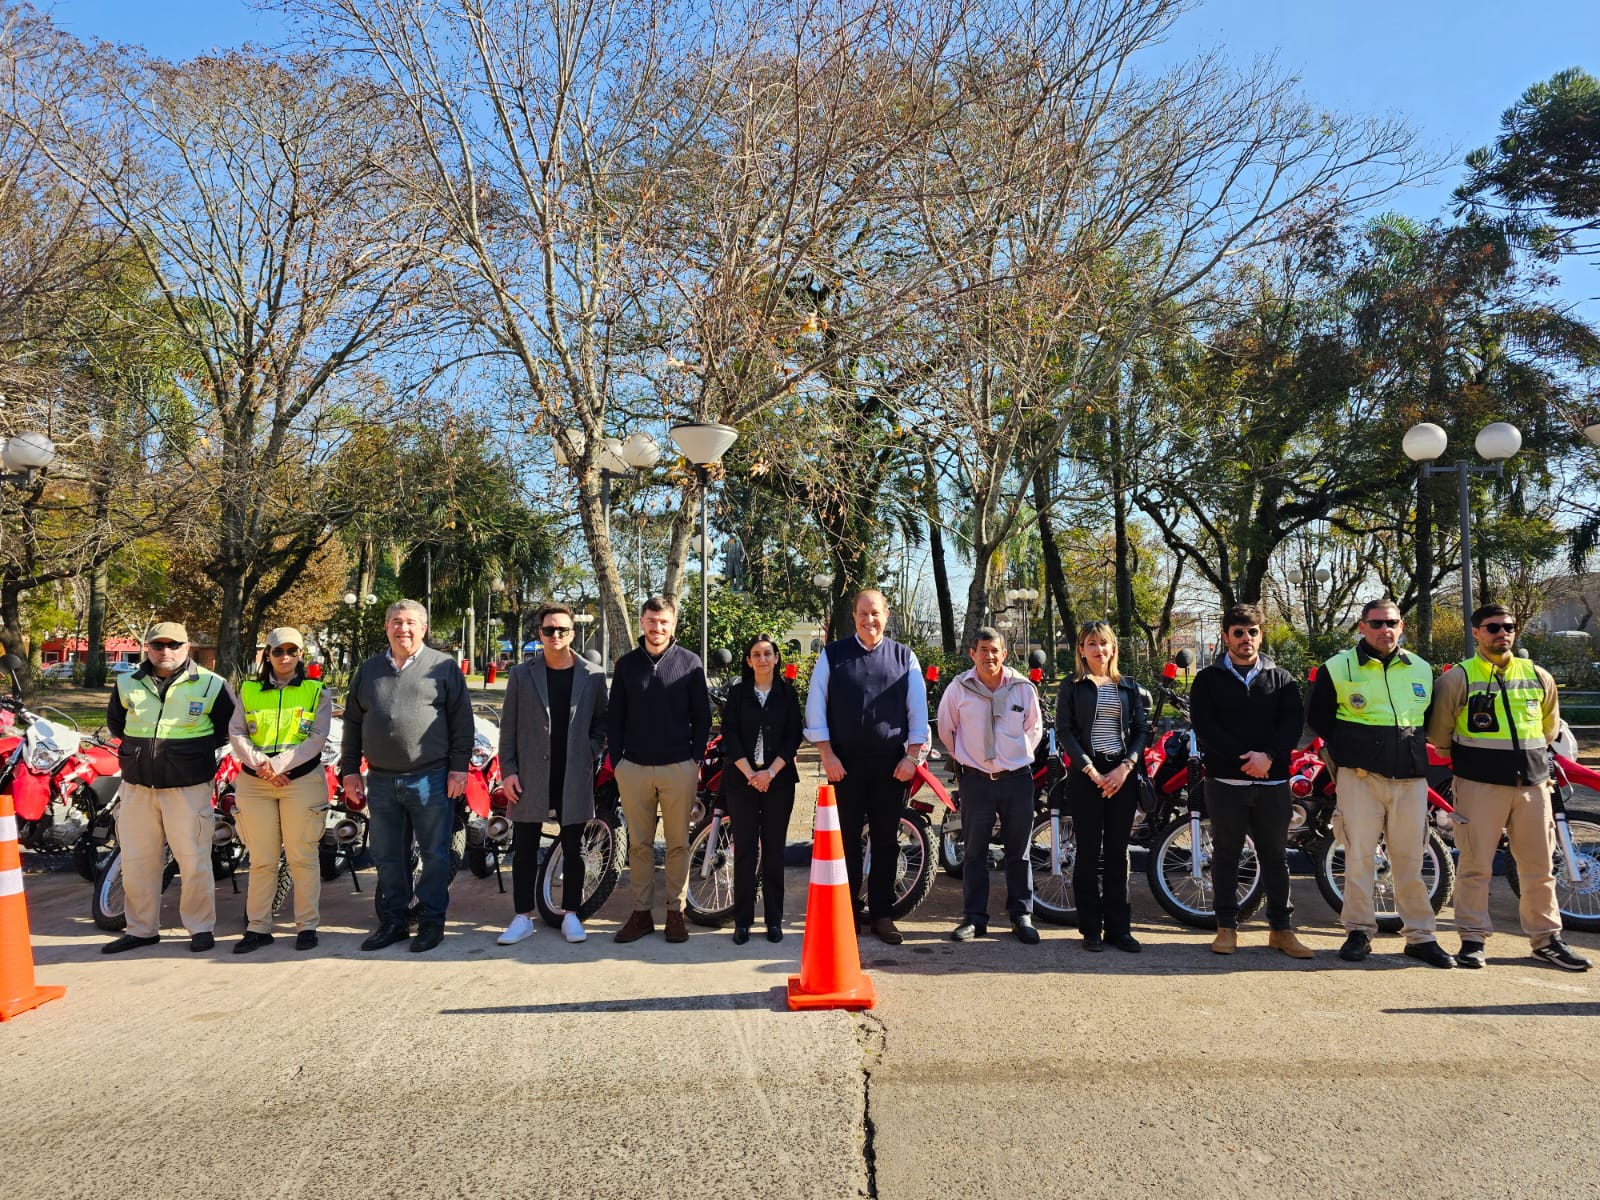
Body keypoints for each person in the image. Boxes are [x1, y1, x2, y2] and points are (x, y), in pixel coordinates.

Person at [1425, 603, 1591, 971]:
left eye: (1509, 626)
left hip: (1533, 786)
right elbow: (1439, 734)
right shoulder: (1458, 679)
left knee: (1539, 867)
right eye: (1493, 627)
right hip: (1479, 786)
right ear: (1477, 633)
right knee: (1474, 866)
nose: (1503, 633)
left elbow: (1549, 729)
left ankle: (1547, 940)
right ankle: (1472, 939)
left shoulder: (1537, 675)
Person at [1305, 600, 1455, 969]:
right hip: (1360, 779)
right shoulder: (1337, 668)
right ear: (1361, 626)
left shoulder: (1420, 668)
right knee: (1358, 858)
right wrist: (1356, 749)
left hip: (1410, 779)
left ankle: (1420, 936)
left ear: (1401, 626)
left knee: (1410, 860)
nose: (1383, 629)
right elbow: (1320, 719)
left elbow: (1430, 720)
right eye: (1375, 623)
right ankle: (1358, 931)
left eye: (1390, 623)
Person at [341, 599, 474, 954]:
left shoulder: (443, 667)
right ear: (387, 628)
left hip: (431, 777)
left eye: (411, 622)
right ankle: (395, 922)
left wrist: (459, 768)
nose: (404, 628)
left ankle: (431, 922)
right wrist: (350, 769)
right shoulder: (368, 670)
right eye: (396, 622)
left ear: (424, 628)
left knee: (435, 854)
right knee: (386, 855)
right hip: (381, 780)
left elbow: (462, 722)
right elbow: (353, 722)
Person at [101, 622, 237, 954]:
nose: (166, 651)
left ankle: (200, 928)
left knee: (194, 862)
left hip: (187, 789)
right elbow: (117, 723)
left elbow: (227, 728)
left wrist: (188, 755)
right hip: (138, 788)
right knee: (136, 862)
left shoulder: (211, 685)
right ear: (147, 647)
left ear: (186, 647)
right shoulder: (125, 683)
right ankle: (141, 929)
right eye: (158, 645)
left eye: (173, 645)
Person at [804, 589, 930, 945]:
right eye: (862, 613)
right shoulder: (832, 656)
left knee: (886, 842)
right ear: (854, 616)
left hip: (892, 768)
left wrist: (912, 757)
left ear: (886, 615)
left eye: (875, 613)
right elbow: (816, 708)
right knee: (844, 842)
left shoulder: (905, 658)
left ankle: (882, 915)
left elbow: (917, 713)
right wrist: (827, 755)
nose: (868, 620)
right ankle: (844, 912)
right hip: (843, 768)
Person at [1188, 603, 1312, 959]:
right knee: (1226, 855)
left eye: (1252, 632)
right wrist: (1246, 761)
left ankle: (1281, 931)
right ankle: (1226, 928)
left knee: (1275, 856)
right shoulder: (1207, 680)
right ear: (1226, 636)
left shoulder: (1282, 678)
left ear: (1261, 635)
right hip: (1226, 783)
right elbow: (1206, 726)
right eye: (1238, 632)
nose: (1246, 639)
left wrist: (1268, 758)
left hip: (1272, 784)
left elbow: (1291, 725)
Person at [496, 602, 607, 946]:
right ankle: (522, 916)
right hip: (530, 774)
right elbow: (508, 727)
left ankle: (571, 913)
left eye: (562, 629)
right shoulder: (521, 674)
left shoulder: (592, 675)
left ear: (573, 633)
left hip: (573, 773)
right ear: (539, 634)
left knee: (574, 847)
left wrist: (591, 751)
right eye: (548, 630)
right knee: (525, 846)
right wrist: (509, 770)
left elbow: (602, 722)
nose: (555, 635)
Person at [608, 595, 712, 944]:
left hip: (677, 767)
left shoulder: (690, 663)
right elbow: (615, 718)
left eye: (664, 622)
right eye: (651, 621)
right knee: (639, 845)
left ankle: (675, 913)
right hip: (634, 767)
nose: (657, 628)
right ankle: (640, 914)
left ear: (673, 625)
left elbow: (703, 717)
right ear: (642, 623)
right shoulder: (626, 665)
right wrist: (618, 761)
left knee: (678, 844)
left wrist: (694, 759)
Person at [227, 627, 333, 954]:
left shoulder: (317, 691)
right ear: (267, 655)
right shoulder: (248, 690)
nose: (285, 657)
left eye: (292, 650)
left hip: (300, 781)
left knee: (302, 857)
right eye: (278, 651)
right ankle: (258, 927)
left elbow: (316, 738)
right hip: (255, 782)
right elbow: (237, 731)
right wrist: (262, 764)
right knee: (262, 860)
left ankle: (307, 927)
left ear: (301, 654)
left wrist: (279, 765)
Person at [938, 626, 1043, 945]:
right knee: (973, 852)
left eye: (995, 649)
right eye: (982, 650)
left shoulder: (1023, 688)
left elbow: (1034, 729)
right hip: (976, 782)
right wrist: (968, 761)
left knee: (1019, 852)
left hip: (1017, 781)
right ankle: (974, 918)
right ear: (972, 654)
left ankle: (1021, 915)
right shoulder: (958, 689)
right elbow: (946, 729)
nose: (989, 655)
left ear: (1005, 654)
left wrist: (1012, 756)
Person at [1055, 621, 1149, 953]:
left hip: (1121, 775)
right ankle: (1091, 929)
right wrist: (1091, 770)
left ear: (1113, 648)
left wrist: (1126, 767)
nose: (1098, 649)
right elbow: (1064, 732)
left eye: (1104, 643)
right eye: (1091, 643)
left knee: (1117, 854)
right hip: (1087, 774)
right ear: (1081, 650)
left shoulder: (1128, 687)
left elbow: (1140, 730)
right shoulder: (1072, 686)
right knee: (1088, 852)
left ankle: (1119, 929)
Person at [721, 633, 803, 945]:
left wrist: (769, 772)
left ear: (777, 658)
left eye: (767, 653)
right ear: (748, 660)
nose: (762, 659)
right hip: (741, 782)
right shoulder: (739, 693)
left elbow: (793, 735)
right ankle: (742, 921)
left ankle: (774, 921)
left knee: (773, 852)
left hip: (778, 782)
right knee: (744, 852)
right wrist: (751, 773)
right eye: (756, 654)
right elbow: (730, 734)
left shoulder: (787, 693)